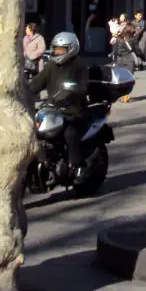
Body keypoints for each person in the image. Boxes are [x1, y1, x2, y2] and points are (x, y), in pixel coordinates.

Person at [29, 32, 90, 184]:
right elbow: (37, 83)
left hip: (73, 111)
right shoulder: (51, 65)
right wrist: (24, 91)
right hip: (53, 109)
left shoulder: (80, 65)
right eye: (55, 49)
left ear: (71, 49)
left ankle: (78, 166)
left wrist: (75, 90)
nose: (57, 53)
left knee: (69, 133)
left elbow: (83, 86)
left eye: (61, 50)